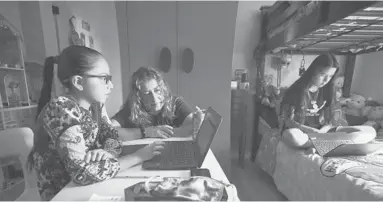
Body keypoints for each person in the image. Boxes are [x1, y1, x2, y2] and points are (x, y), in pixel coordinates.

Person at [27, 46, 165, 201]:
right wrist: (139, 156)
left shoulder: (96, 106)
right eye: (104, 78)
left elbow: (112, 137)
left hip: (90, 187)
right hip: (64, 194)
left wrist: (108, 152)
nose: (110, 86)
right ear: (78, 82)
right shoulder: (62, 109)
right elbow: (82, 173)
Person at [280, 53, 376, 149]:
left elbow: (329, 119)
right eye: (322, 74)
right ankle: (333, 145)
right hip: (304, 133)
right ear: (313, 71)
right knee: (290, 135)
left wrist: (322, 131)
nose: (326, 80)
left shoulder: (329, 90)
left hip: (325, 133)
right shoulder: (294, 91)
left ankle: (323, 145)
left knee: (370, 131)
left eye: (330, 76)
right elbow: (288, 122)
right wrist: (312, 131)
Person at [111, 66, 203, 141]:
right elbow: (109, 131)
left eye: (157, 90)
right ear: (138, 97)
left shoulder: (175, 103)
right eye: (147, 93)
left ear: (163, 88)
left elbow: (191, 127)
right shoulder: (132, 108)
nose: (154, 99)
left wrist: (198, 122)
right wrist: (148, 132)